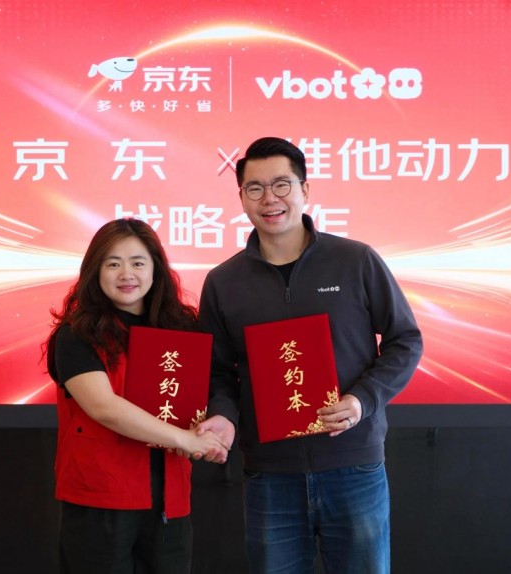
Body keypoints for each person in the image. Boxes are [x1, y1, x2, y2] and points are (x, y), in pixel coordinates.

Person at [197, 137, 423, 574]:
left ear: (305, 190)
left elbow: (405, 340)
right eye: (255, 188)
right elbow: (217, 371)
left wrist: (363, 400)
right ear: (242, 197)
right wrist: (223, 415)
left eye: (282, 184)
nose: (270, 198)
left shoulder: (355, 260)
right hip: (269, 475)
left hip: (353, 465)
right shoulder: (224, 282)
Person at [44, 218, 229, 574]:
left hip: (169, 497)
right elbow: (104, 407)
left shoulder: (182, 329)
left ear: (155, 270)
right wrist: (185, 438)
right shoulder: (77, 334)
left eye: (138, 262)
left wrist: (213, 427)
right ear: (95, 272)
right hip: (102, 497)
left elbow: (206, 391)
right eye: (113, 263)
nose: (126, 274)